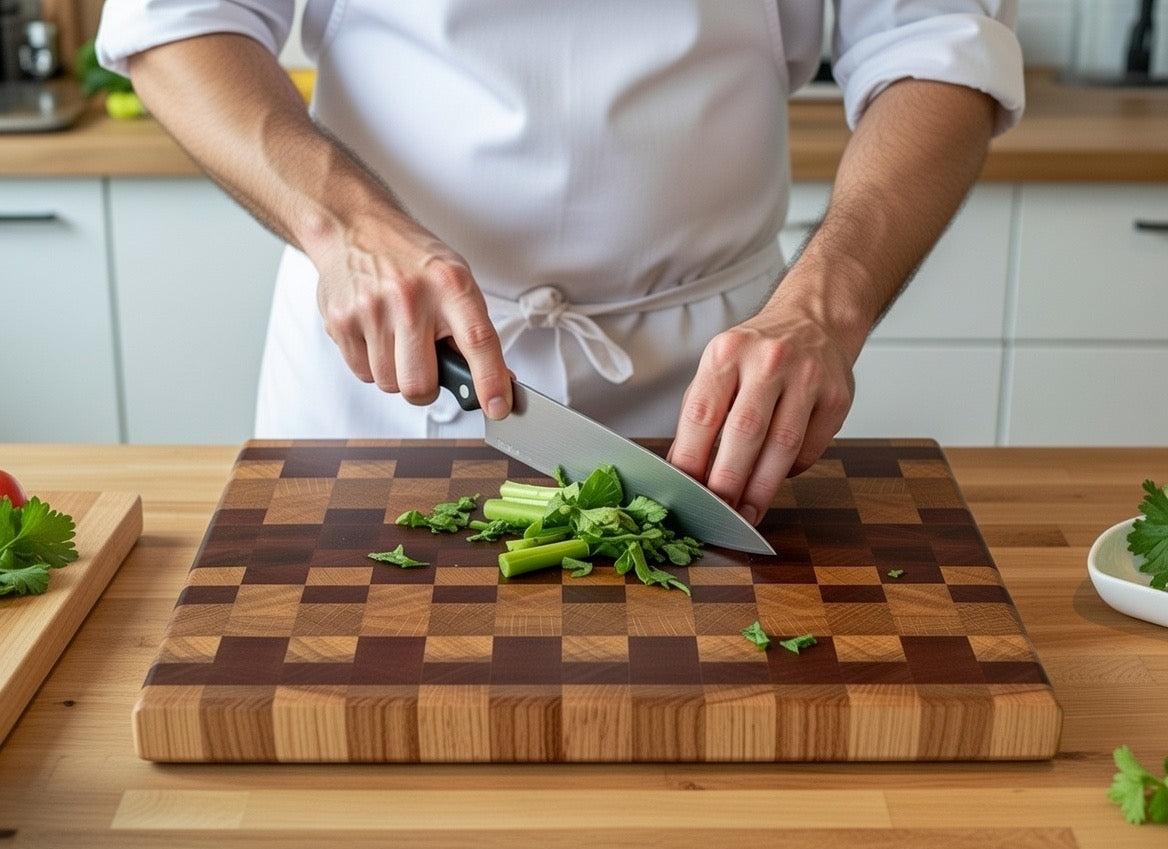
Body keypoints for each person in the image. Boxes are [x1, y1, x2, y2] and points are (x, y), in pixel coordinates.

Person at [95, 2, 1024, 526]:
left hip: (721, 381)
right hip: (392, 364)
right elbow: (178, 20)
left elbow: (934, 41)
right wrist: (345, 226)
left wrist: (824, 304)